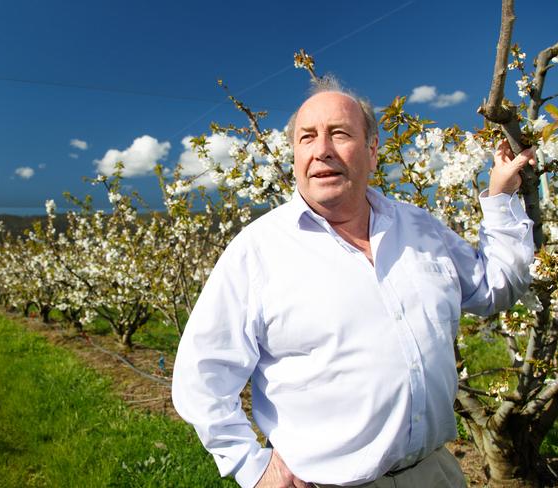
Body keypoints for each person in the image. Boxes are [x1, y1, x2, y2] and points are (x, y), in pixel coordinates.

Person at [172, 77, 536, 488]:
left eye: (339, 133)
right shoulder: (257, 251)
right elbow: (201, 374)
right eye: (307, 137)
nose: (322, 149)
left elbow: (495, 288)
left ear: (372, 151)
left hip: (436, 473)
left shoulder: (419, 227)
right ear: (294, 156)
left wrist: (501, 197)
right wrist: (249, 465)